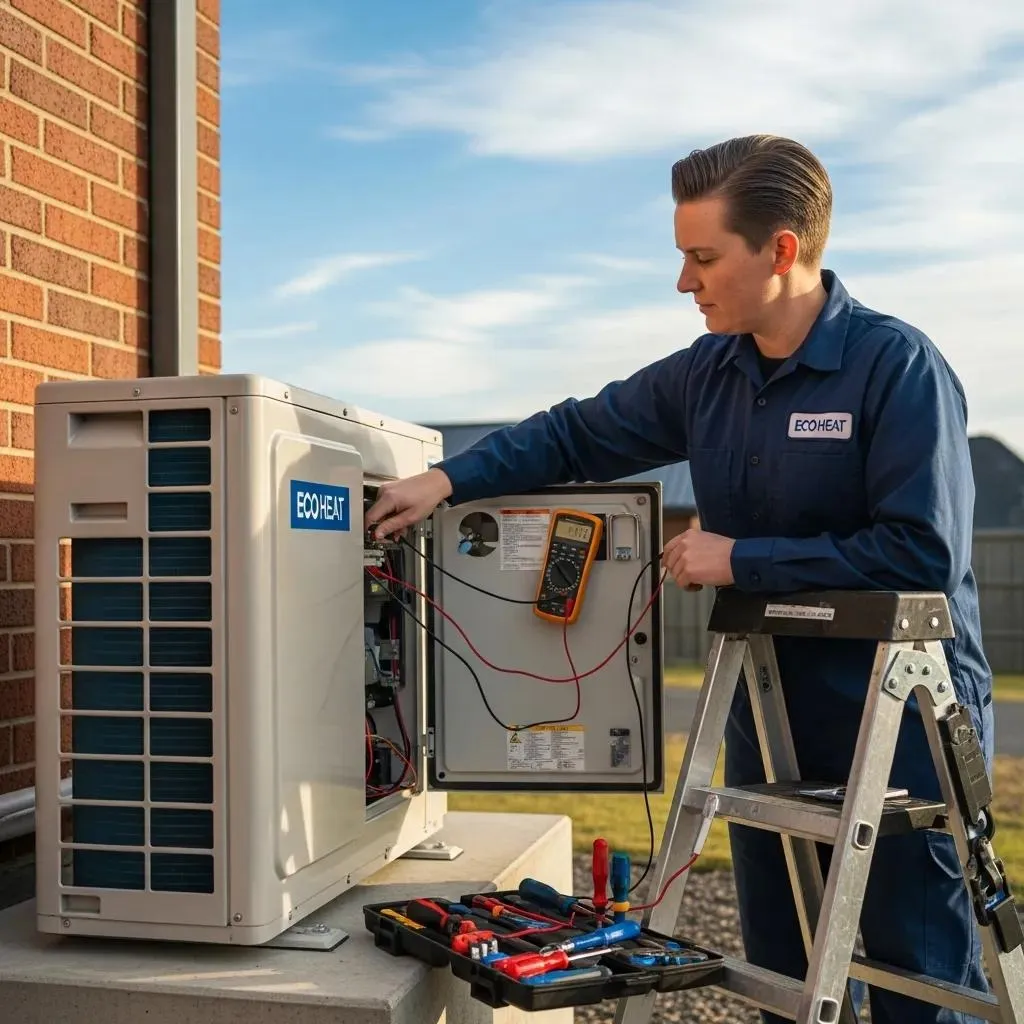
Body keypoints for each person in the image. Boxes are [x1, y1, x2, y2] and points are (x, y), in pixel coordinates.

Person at [366, 134, 994, 1024]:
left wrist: (741, 558)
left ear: (780, 251)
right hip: (771, 717)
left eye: (702, 257)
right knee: (787, 970)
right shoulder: (709, 374)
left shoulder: (897, 368)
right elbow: (575, 433)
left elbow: (922, 554)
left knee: (916, 975)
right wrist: (447, 479)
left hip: (898, 721)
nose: (684, 282)